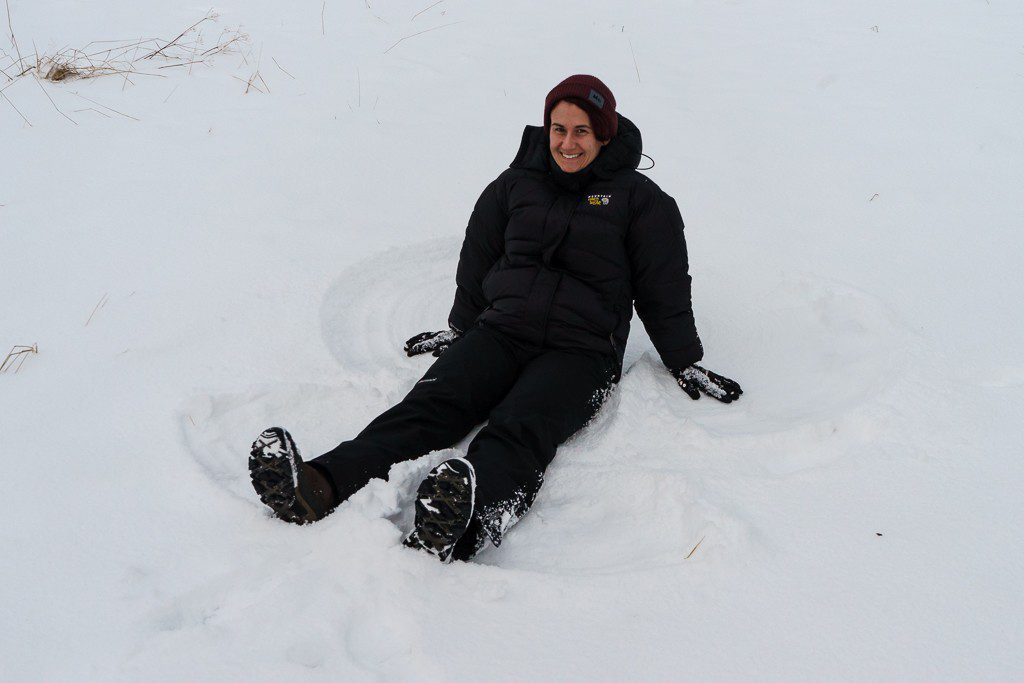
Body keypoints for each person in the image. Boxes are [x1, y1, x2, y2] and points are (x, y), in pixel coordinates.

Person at [249, 74, 742, 563]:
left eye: (582, 132)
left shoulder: (641, 201)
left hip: (582, 352)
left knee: (519, 427)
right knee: (428, 405)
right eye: (558, 129)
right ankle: (317, 484)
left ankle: (464, 525)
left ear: (605, 135)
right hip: (502, 330)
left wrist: (682, 357)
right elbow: (479, 257)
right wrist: (462, 327)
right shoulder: (515, 183)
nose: (567, 143)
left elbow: (664, 285)